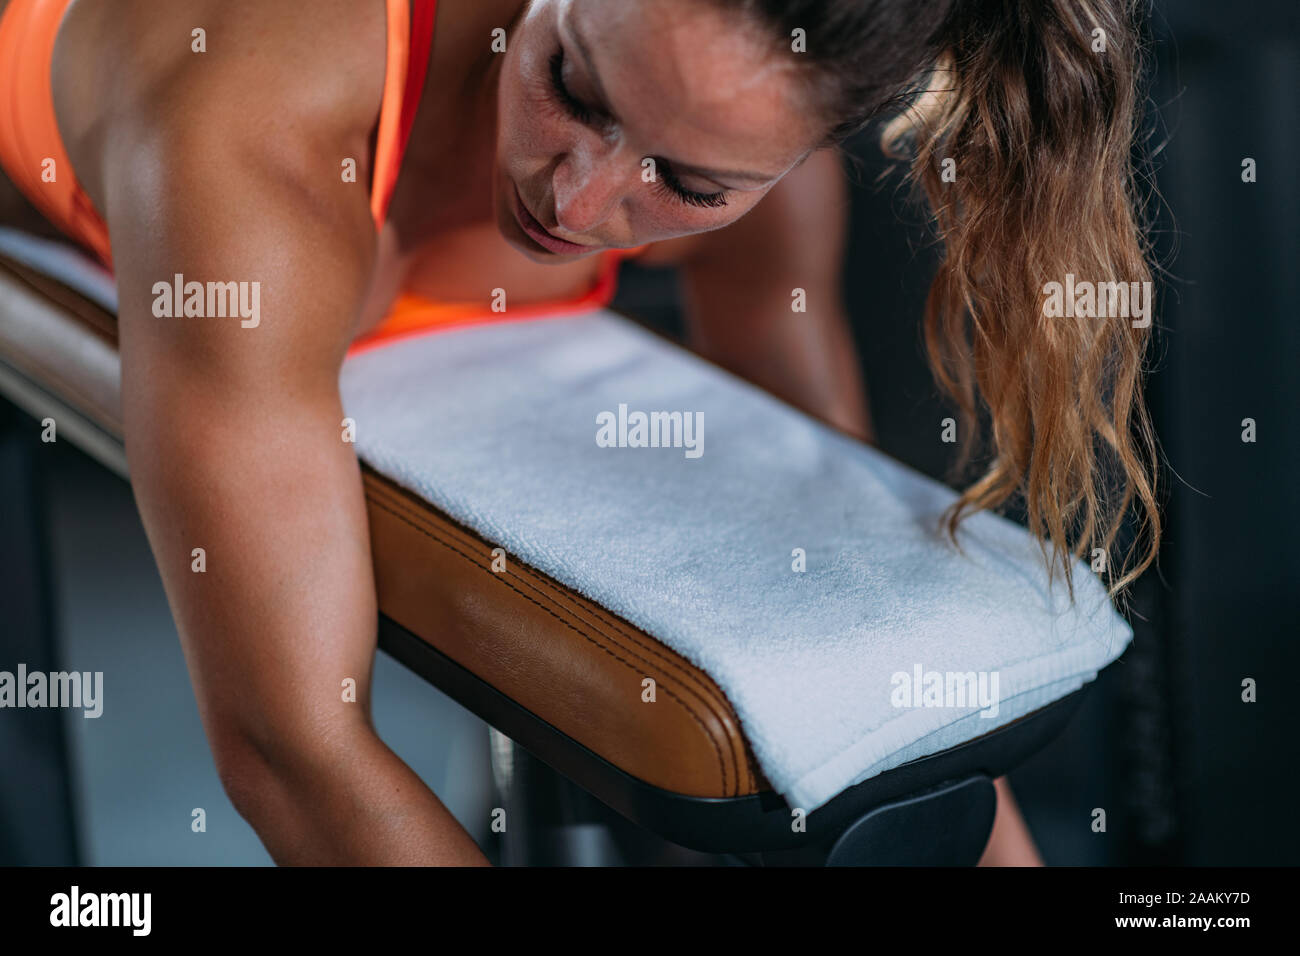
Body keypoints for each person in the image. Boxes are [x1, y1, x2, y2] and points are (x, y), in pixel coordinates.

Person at [0, 0, 1158, 865]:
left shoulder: (768, 184)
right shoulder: (260, 121)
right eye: (575, 88)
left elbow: (851, 585)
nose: (576, 200)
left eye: (684, 182)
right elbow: (293, 750)